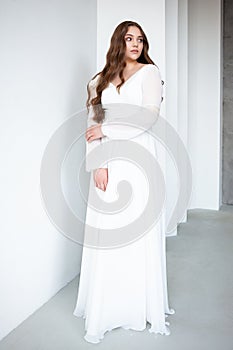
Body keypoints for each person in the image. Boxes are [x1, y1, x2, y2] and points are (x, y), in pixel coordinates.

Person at [73, 20, 175, 344]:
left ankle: (136, 306)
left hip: (139, 161)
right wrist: (97, 164)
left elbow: (149, 116)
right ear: (118, 41)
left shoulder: (150, 74)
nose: (136, 44)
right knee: (108, 236)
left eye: (140, 39)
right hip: (108, 163)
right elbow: (92, 124)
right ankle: (106, 308)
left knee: (135, 233)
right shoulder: (98, 81)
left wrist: (109, 130)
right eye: (129, 38)